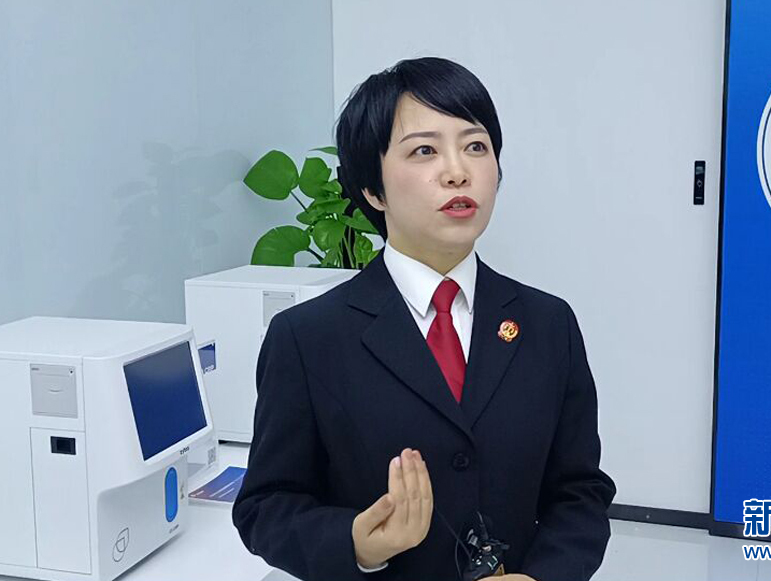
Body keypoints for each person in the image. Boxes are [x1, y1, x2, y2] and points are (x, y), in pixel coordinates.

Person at [232, 56, 616, 581]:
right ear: (373, 188)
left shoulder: (549, 324)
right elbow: (266, 506)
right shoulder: (307, 337)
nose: (458, 171)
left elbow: (580, 492)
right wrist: (356, 543)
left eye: (476, 146)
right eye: (425, 150)